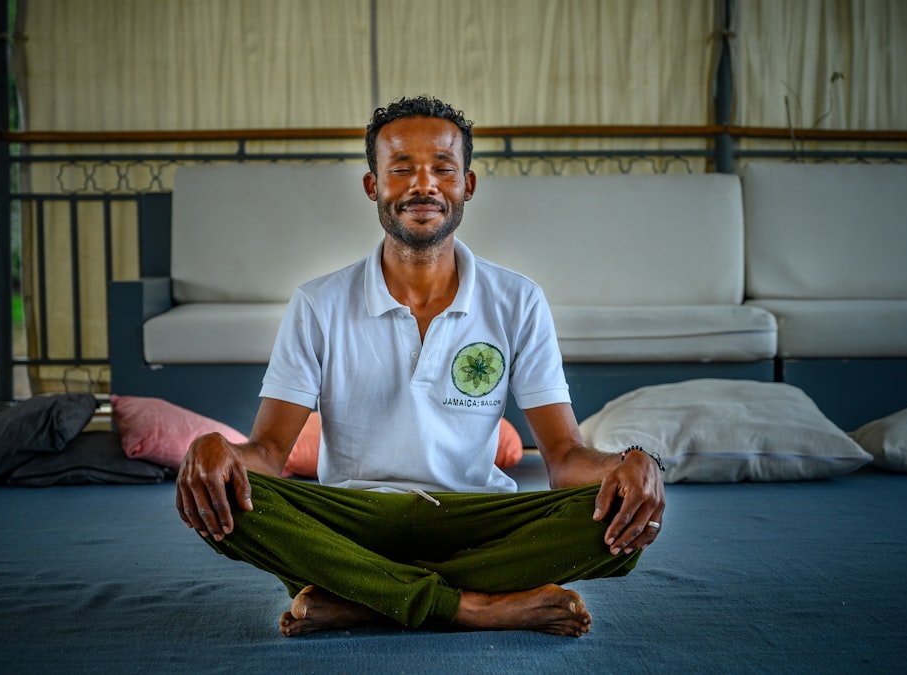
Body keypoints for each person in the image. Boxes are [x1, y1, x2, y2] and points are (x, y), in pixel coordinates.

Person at [176, 95, 666, 638]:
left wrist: (632, 464)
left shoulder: (517, 300)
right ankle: (475, 606)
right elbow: (267, 454)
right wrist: (213, 450)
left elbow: (564, 458)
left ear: (468, 186)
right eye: (401, 169)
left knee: (615, 528)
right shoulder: (318, 303)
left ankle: (370, 596)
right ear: (373, 187)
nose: (423, 185)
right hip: (352, 519)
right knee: (226, 504)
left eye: (442, 169)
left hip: (477, 519)